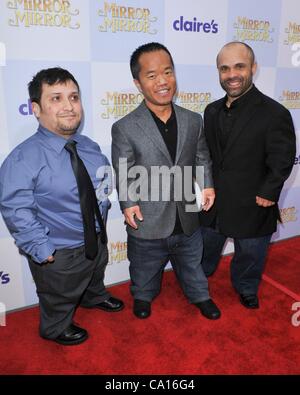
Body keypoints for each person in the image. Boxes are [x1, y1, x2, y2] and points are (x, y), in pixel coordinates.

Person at [0, 67, 124, 345]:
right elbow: (15, 208)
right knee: (59, 295)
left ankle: (94, 297)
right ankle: (55, 327)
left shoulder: (89, 146)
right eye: (56, 98)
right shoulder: (23, 158)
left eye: (74, 97)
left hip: (96, 240)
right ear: (35, 108)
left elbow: (100, 188)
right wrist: (42, 250)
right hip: (59, 252)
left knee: (95, 275)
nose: (69, 106)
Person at [111, 42, 221, 320]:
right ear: (138, 83)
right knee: (144, 266)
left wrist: (207, 184)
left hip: (187, 214)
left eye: (168, 72)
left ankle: (200, 295)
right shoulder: (125, 127)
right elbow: (124, 170)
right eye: (151, 75)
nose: (162, 81)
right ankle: (143, 295)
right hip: (147, 216)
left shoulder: (193, 120)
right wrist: (128, 203)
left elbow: (201, 156)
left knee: (192, 263)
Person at [199, 42, 296, 309]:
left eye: (239, 66)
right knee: (204, 254)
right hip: (216, 202)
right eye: (225, 68)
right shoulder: (211, 110)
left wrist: (270, 191)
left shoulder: (274, 113)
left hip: (254, 202)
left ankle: (246, 287)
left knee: (251, 255)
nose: (232, 74)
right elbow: (207, 154)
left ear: (253, 68)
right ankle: (196, 281)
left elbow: (282, 157)